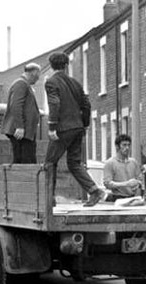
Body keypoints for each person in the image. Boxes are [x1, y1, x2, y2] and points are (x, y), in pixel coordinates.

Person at [44, 52, 105, 207]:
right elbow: (86, 105)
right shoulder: (75, 83)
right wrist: (83, 124)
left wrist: (52, 127)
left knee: (50, 163)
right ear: (66, 66)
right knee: (74, 163)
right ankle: (94, 190)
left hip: (63, 129)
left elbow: (54, 103)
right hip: (78, 128)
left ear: (51, 66)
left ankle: (48, 198)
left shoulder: (51, 82)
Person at [1, 63, 41, 164]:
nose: (38, 79)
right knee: (24, 160)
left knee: (26, 158)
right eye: (37, 76)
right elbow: (15, 105)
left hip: (25, 132)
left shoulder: (24, 84)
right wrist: (20, 127)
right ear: (33, 73)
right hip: (21, 132)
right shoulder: (21, 84)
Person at [103, 134, 143, 202]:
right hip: (117, 198)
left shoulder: (133, 162)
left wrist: (137, 184)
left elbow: (140, 180)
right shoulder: (110, 163)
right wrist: (126, 184)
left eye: (128, 145)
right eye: (124, 145)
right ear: (117, 146)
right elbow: (107, 183)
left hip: (132, 198)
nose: (127, 148)